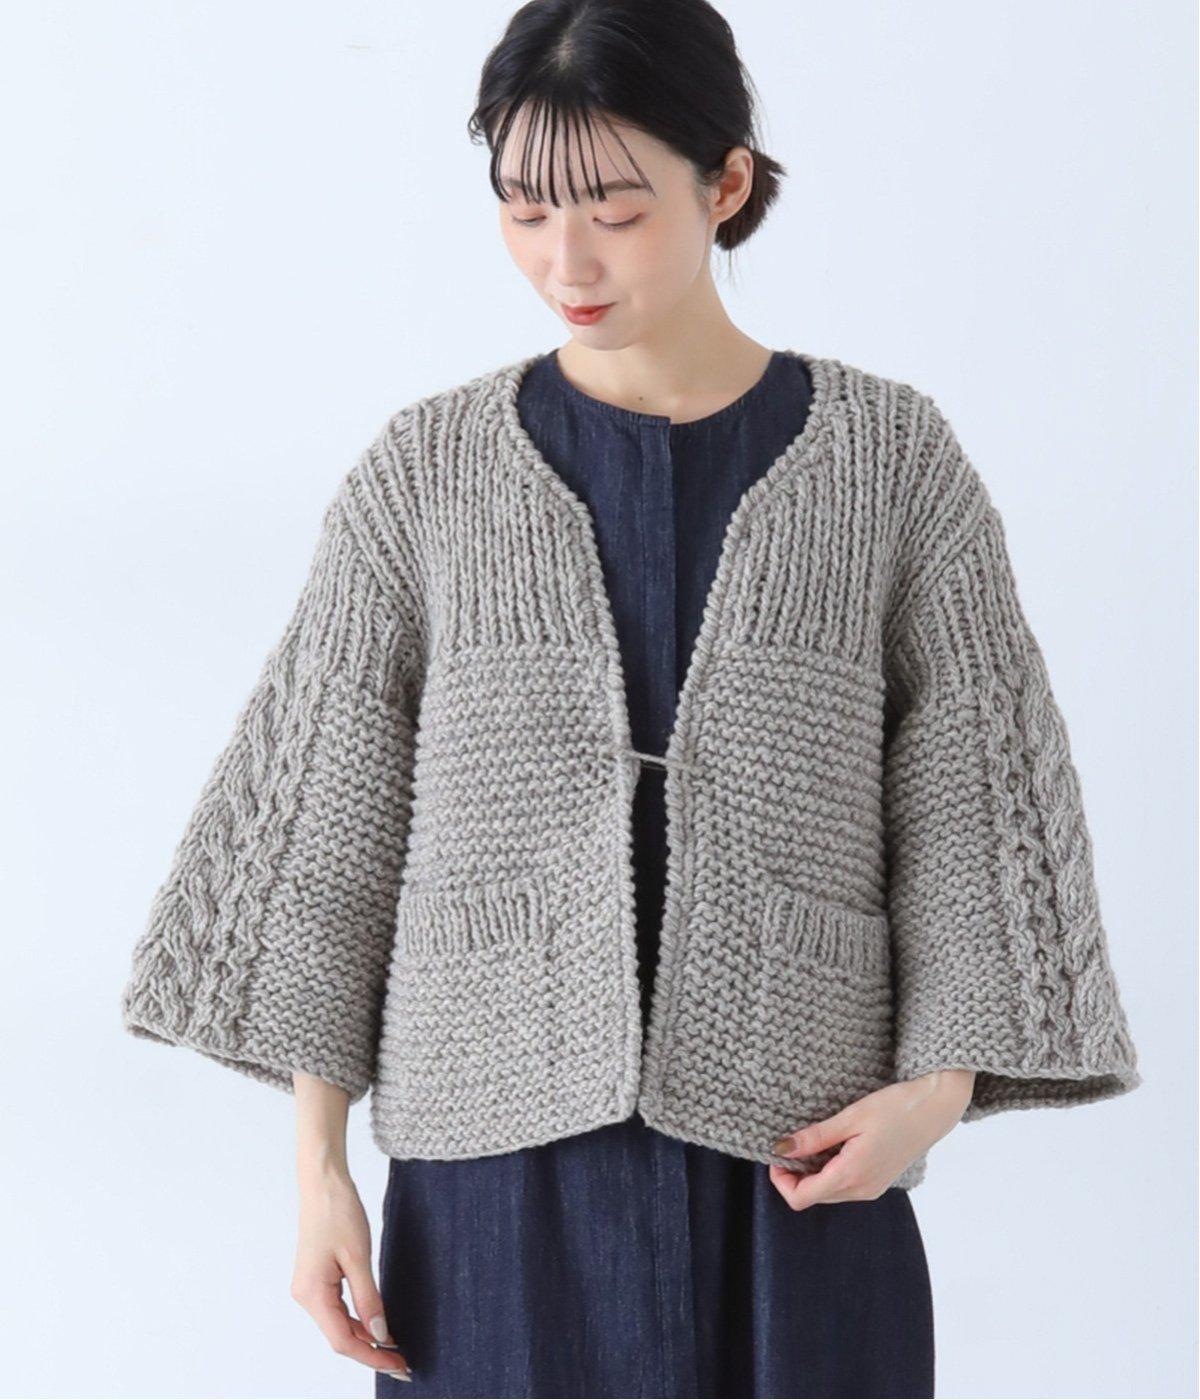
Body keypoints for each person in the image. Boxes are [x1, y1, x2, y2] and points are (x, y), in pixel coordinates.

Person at [119, 2, 1141, 1397]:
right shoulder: (423, 481)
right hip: (495, 1191)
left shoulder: (893, 468)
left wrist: (936, 1094)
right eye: (525, 209)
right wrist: (319, 1173)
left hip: (802, 1171)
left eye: (613, 208)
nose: (566, 260)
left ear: (725, 184)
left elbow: (974, 803)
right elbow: (326, 841)